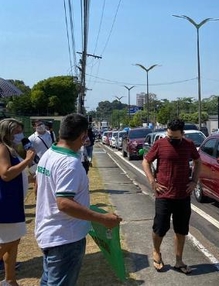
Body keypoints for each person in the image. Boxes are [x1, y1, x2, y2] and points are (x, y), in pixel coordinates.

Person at [35, 113, 122, 285]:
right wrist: (104, 219)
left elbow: (40, 187)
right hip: (65, 238)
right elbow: (64, 203)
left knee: (48, 281)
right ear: (83, 136)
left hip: (49, 232)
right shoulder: (69, 163)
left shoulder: (49, 154)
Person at [142, 119, 201, 274]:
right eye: (169, 136)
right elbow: (146, 162)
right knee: (160, 227)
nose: (171, 140)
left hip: (183, 195)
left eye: (175, 138)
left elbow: (198, 161)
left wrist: (194, 181)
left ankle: (179, 261)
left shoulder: (189, 145)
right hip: (163, 194)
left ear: (182, 134)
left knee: (181, 229)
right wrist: (152, 181)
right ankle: (156, 251)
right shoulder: (160, 144)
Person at [0, 118, 36, 286]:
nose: (20, 135)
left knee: (14, 241)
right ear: (6, 132)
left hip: (14, 201)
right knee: (10, 241)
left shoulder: (11, 150)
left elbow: (17, 174)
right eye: (16, 132)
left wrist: (31, 177)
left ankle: (10, 280)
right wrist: (28, 160)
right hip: (6, 203)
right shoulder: (2, 149)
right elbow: (6, 174)